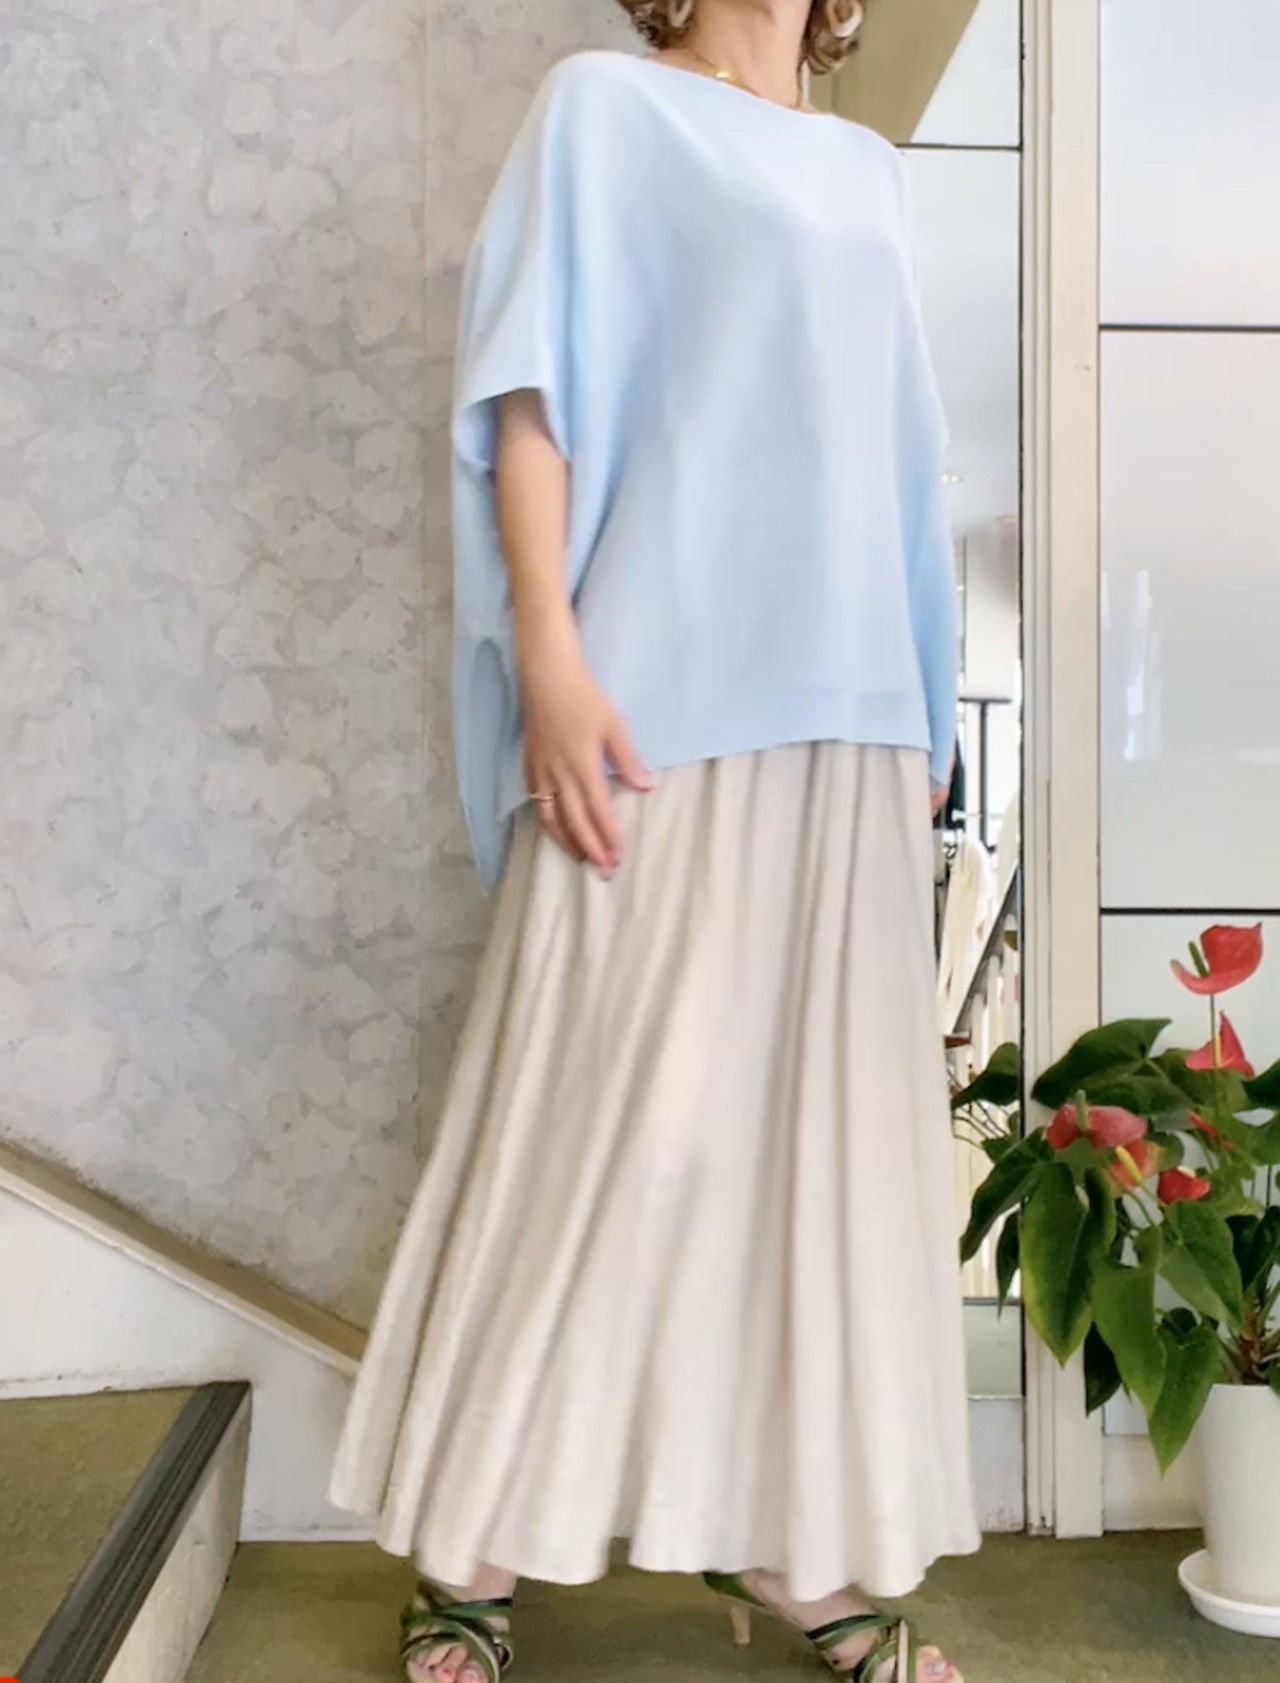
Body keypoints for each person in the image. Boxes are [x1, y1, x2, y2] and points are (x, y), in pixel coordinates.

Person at [329, 4, 978, 1680]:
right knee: (605, 1119)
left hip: (855, 710)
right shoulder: (604, 110)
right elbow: (530, 393)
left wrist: (923, 705)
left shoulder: (865, 168)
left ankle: (795, 1550)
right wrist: (550, 655)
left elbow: (904, 459)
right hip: (654, 690)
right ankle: (471, 1543)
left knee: (808, 1151)